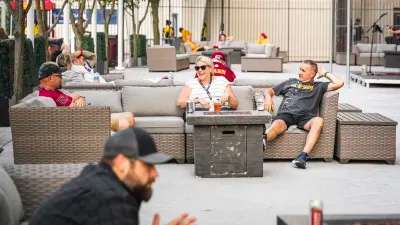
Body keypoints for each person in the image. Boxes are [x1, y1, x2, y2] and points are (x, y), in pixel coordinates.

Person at [29, 127, 197, 225]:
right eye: (147, 165)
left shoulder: (99, 179)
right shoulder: (112, 201)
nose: (155, 173)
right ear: (122, 163)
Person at [263, 60, 344, 169]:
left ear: (312, 74)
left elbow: (339, 83)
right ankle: (261, 141)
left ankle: (302, 157)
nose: (299, 72)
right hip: (287, 114)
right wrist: (268, 98)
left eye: (303, 70)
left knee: (319, 121)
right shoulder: (290, 82)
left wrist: (325, 73)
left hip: (306, 118)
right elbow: (269, 90)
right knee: (277, 125)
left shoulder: (319, 86)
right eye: (299, 69)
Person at [37, 62, 134, 131]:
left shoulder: (57, 91)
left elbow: (77, 98)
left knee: (130, 115)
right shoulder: (46, 96)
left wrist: (79, 99)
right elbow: (65, 114)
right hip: (85, 122)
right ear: (51, 78)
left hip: (89, 116)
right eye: (59, 76)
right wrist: (76, 102)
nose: (62, 79)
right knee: (127, 122)